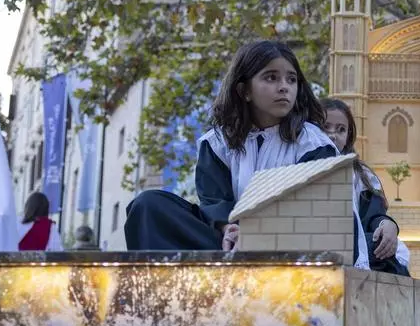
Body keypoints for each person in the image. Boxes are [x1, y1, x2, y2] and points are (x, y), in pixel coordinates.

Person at [125, 41, 369, 268]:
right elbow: (213, 201)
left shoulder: (314, 143)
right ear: (244, 90)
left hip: (292, 244)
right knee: (149, 205)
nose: (284, 86)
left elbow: (313, 210)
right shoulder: (218, 142)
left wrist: (256, 234)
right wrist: (227, 228)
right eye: (271, 77)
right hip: (230, 244)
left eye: (291, 79)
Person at [321, 97, 409, 276]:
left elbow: (373, 215)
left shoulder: (360, 175)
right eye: (325, 127)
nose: (333, 135)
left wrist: (387, 225)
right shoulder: (293, 165)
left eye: (341, 129)